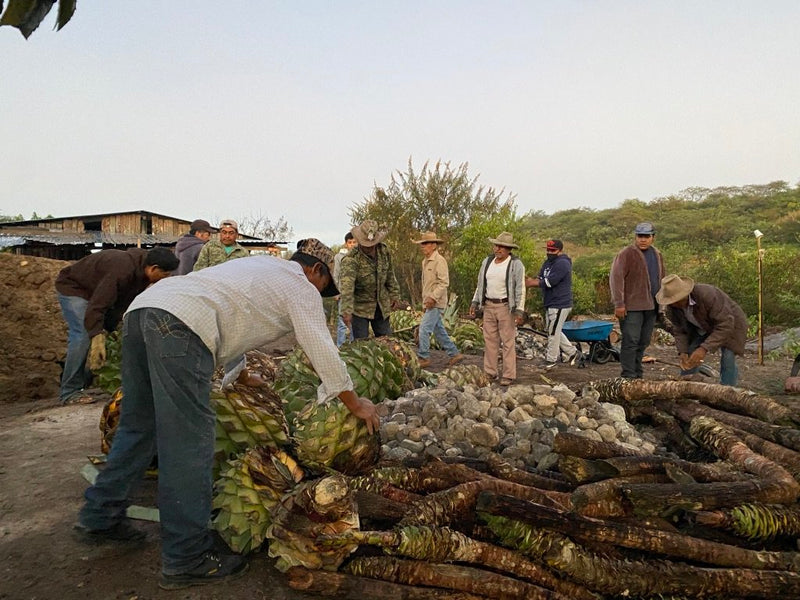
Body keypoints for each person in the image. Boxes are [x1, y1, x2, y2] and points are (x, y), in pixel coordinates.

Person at [75, 239, 380, 590]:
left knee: (138, 426)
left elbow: (226, 313)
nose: (320, 293)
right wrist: (355, 404)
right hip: (180, 327)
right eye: (324, 286)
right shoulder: (301, 285)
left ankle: (100, 515)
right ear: (317, 270)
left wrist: (242, 372)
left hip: (144, 310)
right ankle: (187, 556)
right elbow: (320, 347)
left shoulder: (258, 267)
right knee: (188, 442)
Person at [55, 247, 178, 405]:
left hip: (95, 292)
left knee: (103, 334)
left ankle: (85, 377)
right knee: (83, 335)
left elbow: (122, 303)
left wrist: (114, 328)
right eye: (165, 274)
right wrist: (96, 334)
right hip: (74, 288)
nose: (165, 279)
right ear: (154, 268)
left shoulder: (142, 274)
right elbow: (98, 305)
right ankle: (69, 392)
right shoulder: (122, 269)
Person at [656, 274, 747, 386]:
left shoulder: (707, 295)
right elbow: (680, 331)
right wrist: (682, 351)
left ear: (684, 295)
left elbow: (725, 324)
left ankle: (728, 392)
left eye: (675, 300)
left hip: (730, 324)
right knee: (690, 354)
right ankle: (686, 389)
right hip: (702, 327)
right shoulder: (673, 308)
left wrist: (704, 348)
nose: (673, 303)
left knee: (728, 358)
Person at [469, 232, 526, 386]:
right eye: (496, 245)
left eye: (502, 246)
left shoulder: (515, 264)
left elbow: (520, 288)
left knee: (508, 341)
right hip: (488, 305)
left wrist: (519, 310)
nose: (498, 249)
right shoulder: (487, 262)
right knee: (489, 340)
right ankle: (490, 372)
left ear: (509, 249)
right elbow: (480, 285)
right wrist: (475, 302)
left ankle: (508, 374)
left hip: (505, 306)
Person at [609, 222, 665, 379]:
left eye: (647, 236)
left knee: (643, 341)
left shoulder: (657, 254)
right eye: (640, 236)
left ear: (653, 237)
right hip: (631, 306)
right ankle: (628, 375)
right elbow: (616, 278)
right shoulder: (626, 254)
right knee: (630, 340)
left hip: (652, 306)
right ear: (635, 237)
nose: (643, 239)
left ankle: (637, 373)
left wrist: (663, 305)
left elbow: (662, 279)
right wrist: (619, 303)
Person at [339, 219, 403, 339]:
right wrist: (346, 310)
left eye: (371, 245)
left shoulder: (384, 252)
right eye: (365, 244)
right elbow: (347, 287)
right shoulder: (351, 260)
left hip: (381, 307)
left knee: (387, 343)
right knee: (363, 346)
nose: (368, 247)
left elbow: (390, 275)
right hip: (360, 309)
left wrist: (395, 295)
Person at [413, 231, 465, 368]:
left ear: (433, 245)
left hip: (436, 302)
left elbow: (444, 283)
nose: (422, 246)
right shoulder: (425, 262)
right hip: (429, 302)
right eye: (422, 244)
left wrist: (432, 297)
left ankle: (423, 357)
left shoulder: (439, 261)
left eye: (425, 244)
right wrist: (426, 300)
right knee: (439, 331)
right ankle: (454, 353)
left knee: (424, 329)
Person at [525, 239, 579, 369]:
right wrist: (531, 280)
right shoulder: (548, 263)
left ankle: (551, 360)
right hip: (550, 301)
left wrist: (531, 283)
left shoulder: (562, 264)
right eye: (548, 250)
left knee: (553, 333)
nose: (549, 252)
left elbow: (550, 282)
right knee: (553, 330)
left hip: (560, 302)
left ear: (559, 250)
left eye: (552, 250)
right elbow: (541, 278)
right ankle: (573, 353)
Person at [333, 231, 358, 347]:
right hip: (343, 293)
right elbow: (336, 274)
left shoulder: (360, 256)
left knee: (356, 321)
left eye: (354, 242)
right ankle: (340, 347)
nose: (352, 244)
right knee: (342, 322)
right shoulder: (339, 257)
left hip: (357, 294)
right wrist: (336, 292)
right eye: (350, 242)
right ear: (346, 244)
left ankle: (354, 346)